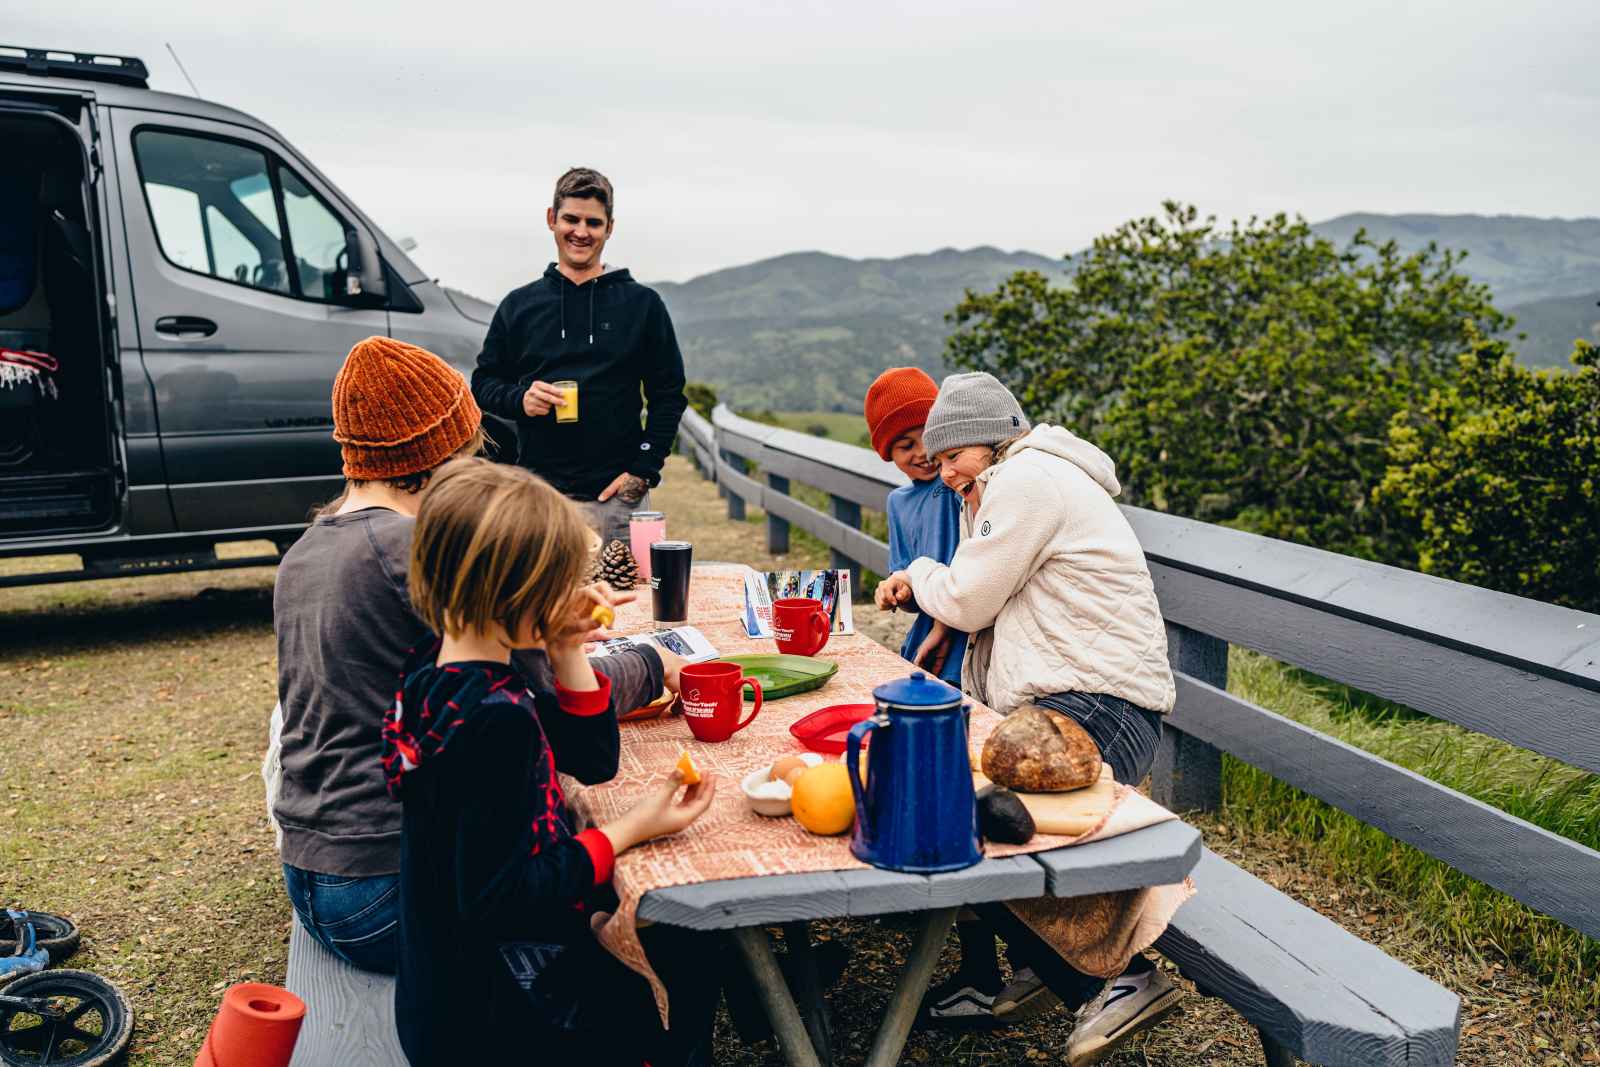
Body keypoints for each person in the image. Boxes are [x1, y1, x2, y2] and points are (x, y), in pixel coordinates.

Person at [271, 336, 674, 976]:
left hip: (318, 869)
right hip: (388, 890)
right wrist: (655, 666)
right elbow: (551, 716)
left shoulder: (308, 549)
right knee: (637, 889)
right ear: (445, 454)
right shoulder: (415, 549)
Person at [878, 372, 1183, 1064]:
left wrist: (922, 571)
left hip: (1101, 707)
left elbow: (966, 597)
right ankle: (1039, 958)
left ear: (988, 440)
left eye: (951, 453)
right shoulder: (999, 484)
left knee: (973, 817)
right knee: (940, 799)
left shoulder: (1027, 479)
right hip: (1071, 704)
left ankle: (1121, 978)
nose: (943, 468)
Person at [388, 458, 719, 1066]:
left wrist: (567, 649)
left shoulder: (436, 667)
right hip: (496, 1018)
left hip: (443, 986)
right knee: (689, 969)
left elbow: (589, 762)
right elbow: (515, 894)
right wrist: (631, 829)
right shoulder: (497, 718)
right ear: (523, 589)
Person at [471, 167, 688, 546]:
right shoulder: (519, 306)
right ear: (552, 219)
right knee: (542, 606)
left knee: (627, 605)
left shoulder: (643, 305)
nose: (581, 232)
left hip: (618, 499)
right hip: (539, 500)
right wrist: (521, 399)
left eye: (594, 222)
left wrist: (643, 470)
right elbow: (483, 384)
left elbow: (668, 395)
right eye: (571, 218)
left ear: (610, 227)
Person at [863, 366, 968, 686]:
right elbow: (911, 586)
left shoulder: (959, 481)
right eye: (906, 446)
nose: (923, 452)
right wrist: (900, 591)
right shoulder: (898, 503)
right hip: (928, 634)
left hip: (968, 632)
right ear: (888, 453)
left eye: (928, 436)